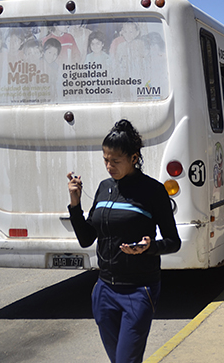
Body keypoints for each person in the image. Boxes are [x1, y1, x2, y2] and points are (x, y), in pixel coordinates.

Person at [66, 119, 181, 363]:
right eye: (105, 159)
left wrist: (150, 247)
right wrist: (75, 205)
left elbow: (173, 241)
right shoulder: (103, 188)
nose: (109, 166)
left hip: (139, 290)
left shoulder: (153, 191)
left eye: (115, 161)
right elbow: (86, 239)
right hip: (104, 290)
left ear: (133, 157)